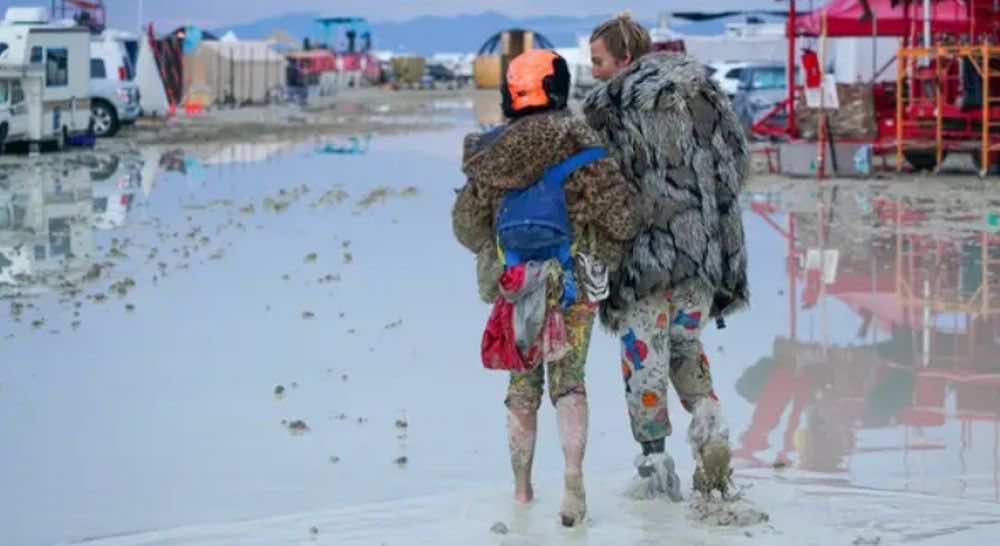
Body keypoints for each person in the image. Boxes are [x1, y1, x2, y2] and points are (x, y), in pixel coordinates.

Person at [452, 49, 639, 526]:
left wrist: (501, 258)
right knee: (570, 381)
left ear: (510, 93)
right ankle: (573, 482)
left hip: (514, 286)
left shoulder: (490, 152)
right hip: (574, 283)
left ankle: (520, 491)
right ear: (557, 88)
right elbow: (623, 217)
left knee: (521, 386)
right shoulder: (580, 143)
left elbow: (466, 226)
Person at [583, 14, 751, 498]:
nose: (593, 71)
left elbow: (600, 193)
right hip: (701, 255)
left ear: (625, 59)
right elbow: (734, 166)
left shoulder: (608, 109)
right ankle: (711, 429)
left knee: (644, 360)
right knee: (686, 348)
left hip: (643, 260)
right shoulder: (704, 93)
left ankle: (656, 466)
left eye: (598, 61)